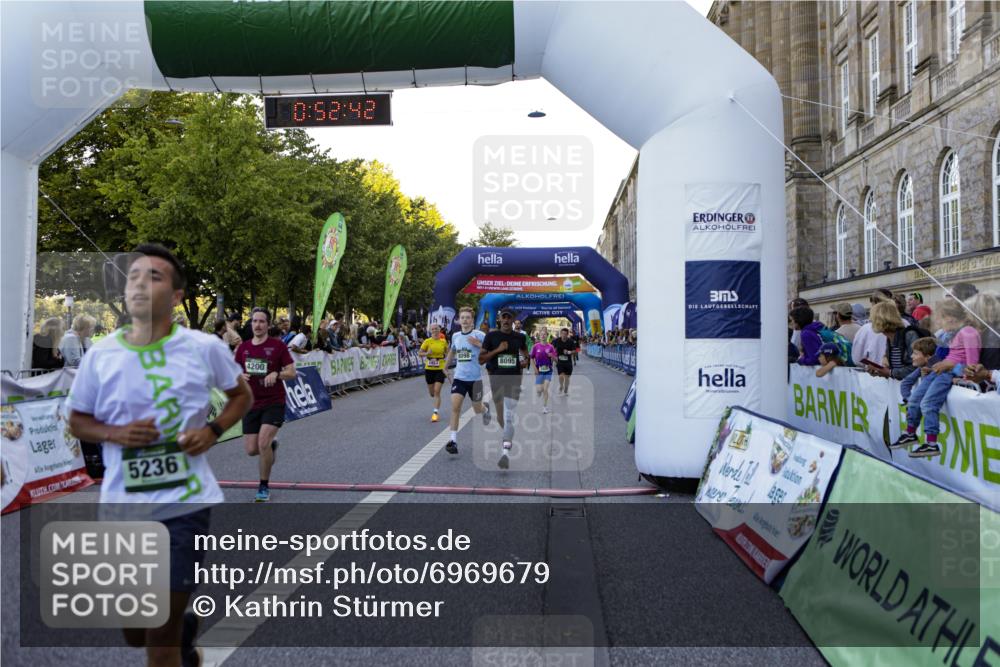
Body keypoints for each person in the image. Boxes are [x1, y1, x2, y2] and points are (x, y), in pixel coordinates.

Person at [66, 244, 252, 667]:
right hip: (122, 508)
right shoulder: (101, 354)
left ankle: (173, 637)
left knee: (158, 641)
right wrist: (114, 432)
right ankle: (182, 634)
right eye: (133, 277)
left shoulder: (203, 348)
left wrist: (212, 430)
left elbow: (242, 395)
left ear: (177, 296)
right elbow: (76, 420)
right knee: (136, 632)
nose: (139, 284)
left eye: (153, 277)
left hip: (183, 506)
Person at [891, 299, 981, 458]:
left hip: (947, 373)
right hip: (940, 370)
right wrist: (937, 365)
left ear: (951, 317)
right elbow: (951, 356)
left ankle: (931, 442)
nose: (938, 323)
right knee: (915, 399)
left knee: (928, 403)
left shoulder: (968, 332)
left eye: (941, 318)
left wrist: (955, 371)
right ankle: (910, 432)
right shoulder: (954, 333)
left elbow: (972, 365)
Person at [234, 307, 297, 501]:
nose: (257, 325)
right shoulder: (243, 348)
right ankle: (272, 446)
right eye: (254, 321)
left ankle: (263, 486)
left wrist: (276, 374)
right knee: (252, 449)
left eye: (261, 321)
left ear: (268, 325)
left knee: (262, 443)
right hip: (251, 403)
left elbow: (292, 372)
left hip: (274, 402)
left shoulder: (278, 346)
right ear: (250, 323)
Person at [479, 307, 529, 469]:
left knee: (508, 417)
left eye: (509, 318)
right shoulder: (491, 336)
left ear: (513, 320)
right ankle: (486, 407)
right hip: (496, 380)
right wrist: (498, 350)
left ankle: (505, 453)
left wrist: (525, 361)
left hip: (513, 380)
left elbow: (525, 355)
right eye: (504, 317)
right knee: (500, 416)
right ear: (500, 319)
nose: (506, 320)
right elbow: (481, 359)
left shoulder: (519, 337)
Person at [443, 307, 492, 453]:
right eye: (462, 317)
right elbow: (452, 351)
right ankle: (453, 441)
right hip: (459, 378)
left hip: (475, 379)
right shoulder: (456, 336)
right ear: (459, 320)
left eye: (467, 317)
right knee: (455, 407)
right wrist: (445, 367)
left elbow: (491, 350)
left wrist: (478, 344)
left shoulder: (479, 335)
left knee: (477, 409)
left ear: (472, 320)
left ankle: (485, 409)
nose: (465, 320)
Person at [864, 301, 919, 380]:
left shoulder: (909, 335)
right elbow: (897, 368)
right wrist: (879, 371)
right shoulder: (889, 339)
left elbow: (916, 368)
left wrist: (890, 372)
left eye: (872, 319)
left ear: (880, 320)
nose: (870, 321)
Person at [851, 290, 893, 366]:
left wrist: (872, 365)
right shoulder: (904, 324)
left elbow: (857, 359)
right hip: (900, 375)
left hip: (873, 375)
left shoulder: (866, 329)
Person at [419, 323, 448, 422]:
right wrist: (427, 353)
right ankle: (435, 404)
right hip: (429, 369)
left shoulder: (443, 341)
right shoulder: (427, 341)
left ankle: (435, 413)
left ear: (439, 330)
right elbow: (420, 353)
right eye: (433, 329)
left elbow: (448, 353)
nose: (435, 331)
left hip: (440, 368)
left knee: (437, 391)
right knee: (432, 393)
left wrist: (446, 366)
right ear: (430, 331)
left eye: (436, 329)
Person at [899, 337, 940, 404]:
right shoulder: (921, 367)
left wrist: (932, 372)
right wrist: (908, 399)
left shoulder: (941, 368)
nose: (911, 356)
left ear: (927, 357)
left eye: (915, 353)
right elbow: (906, 382)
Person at [965, 292, 1000, 370]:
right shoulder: (986, 332)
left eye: (968, 312)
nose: (966, 317)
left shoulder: (992, 336)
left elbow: (991, 369)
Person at [530, 328, 558, 413]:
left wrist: (552, 356)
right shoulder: (535, 346)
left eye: (544, 334)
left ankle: (545, 407)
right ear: (539, 336)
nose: (542, 335)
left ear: (547, 335)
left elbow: (556, 360)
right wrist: (535, 369)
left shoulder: (551, 347)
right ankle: (539, 391)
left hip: (548, 370)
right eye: (541, 334)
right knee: (539, 390)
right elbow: (531, 358)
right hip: (539, 371)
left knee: (545, 389)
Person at [552, 327, 578, 395]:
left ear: (567, 334)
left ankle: (566, 388)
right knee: (561, 376)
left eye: (565, 334)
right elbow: (552, 349)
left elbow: (575, 351)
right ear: (560, 334)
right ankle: (561, 386)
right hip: (560, 361)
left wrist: (569, 352)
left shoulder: (570, 341)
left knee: (567, 377)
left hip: (568, 362)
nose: (563, 335)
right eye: (562, 334)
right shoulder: (556, 340)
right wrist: (553, 356)